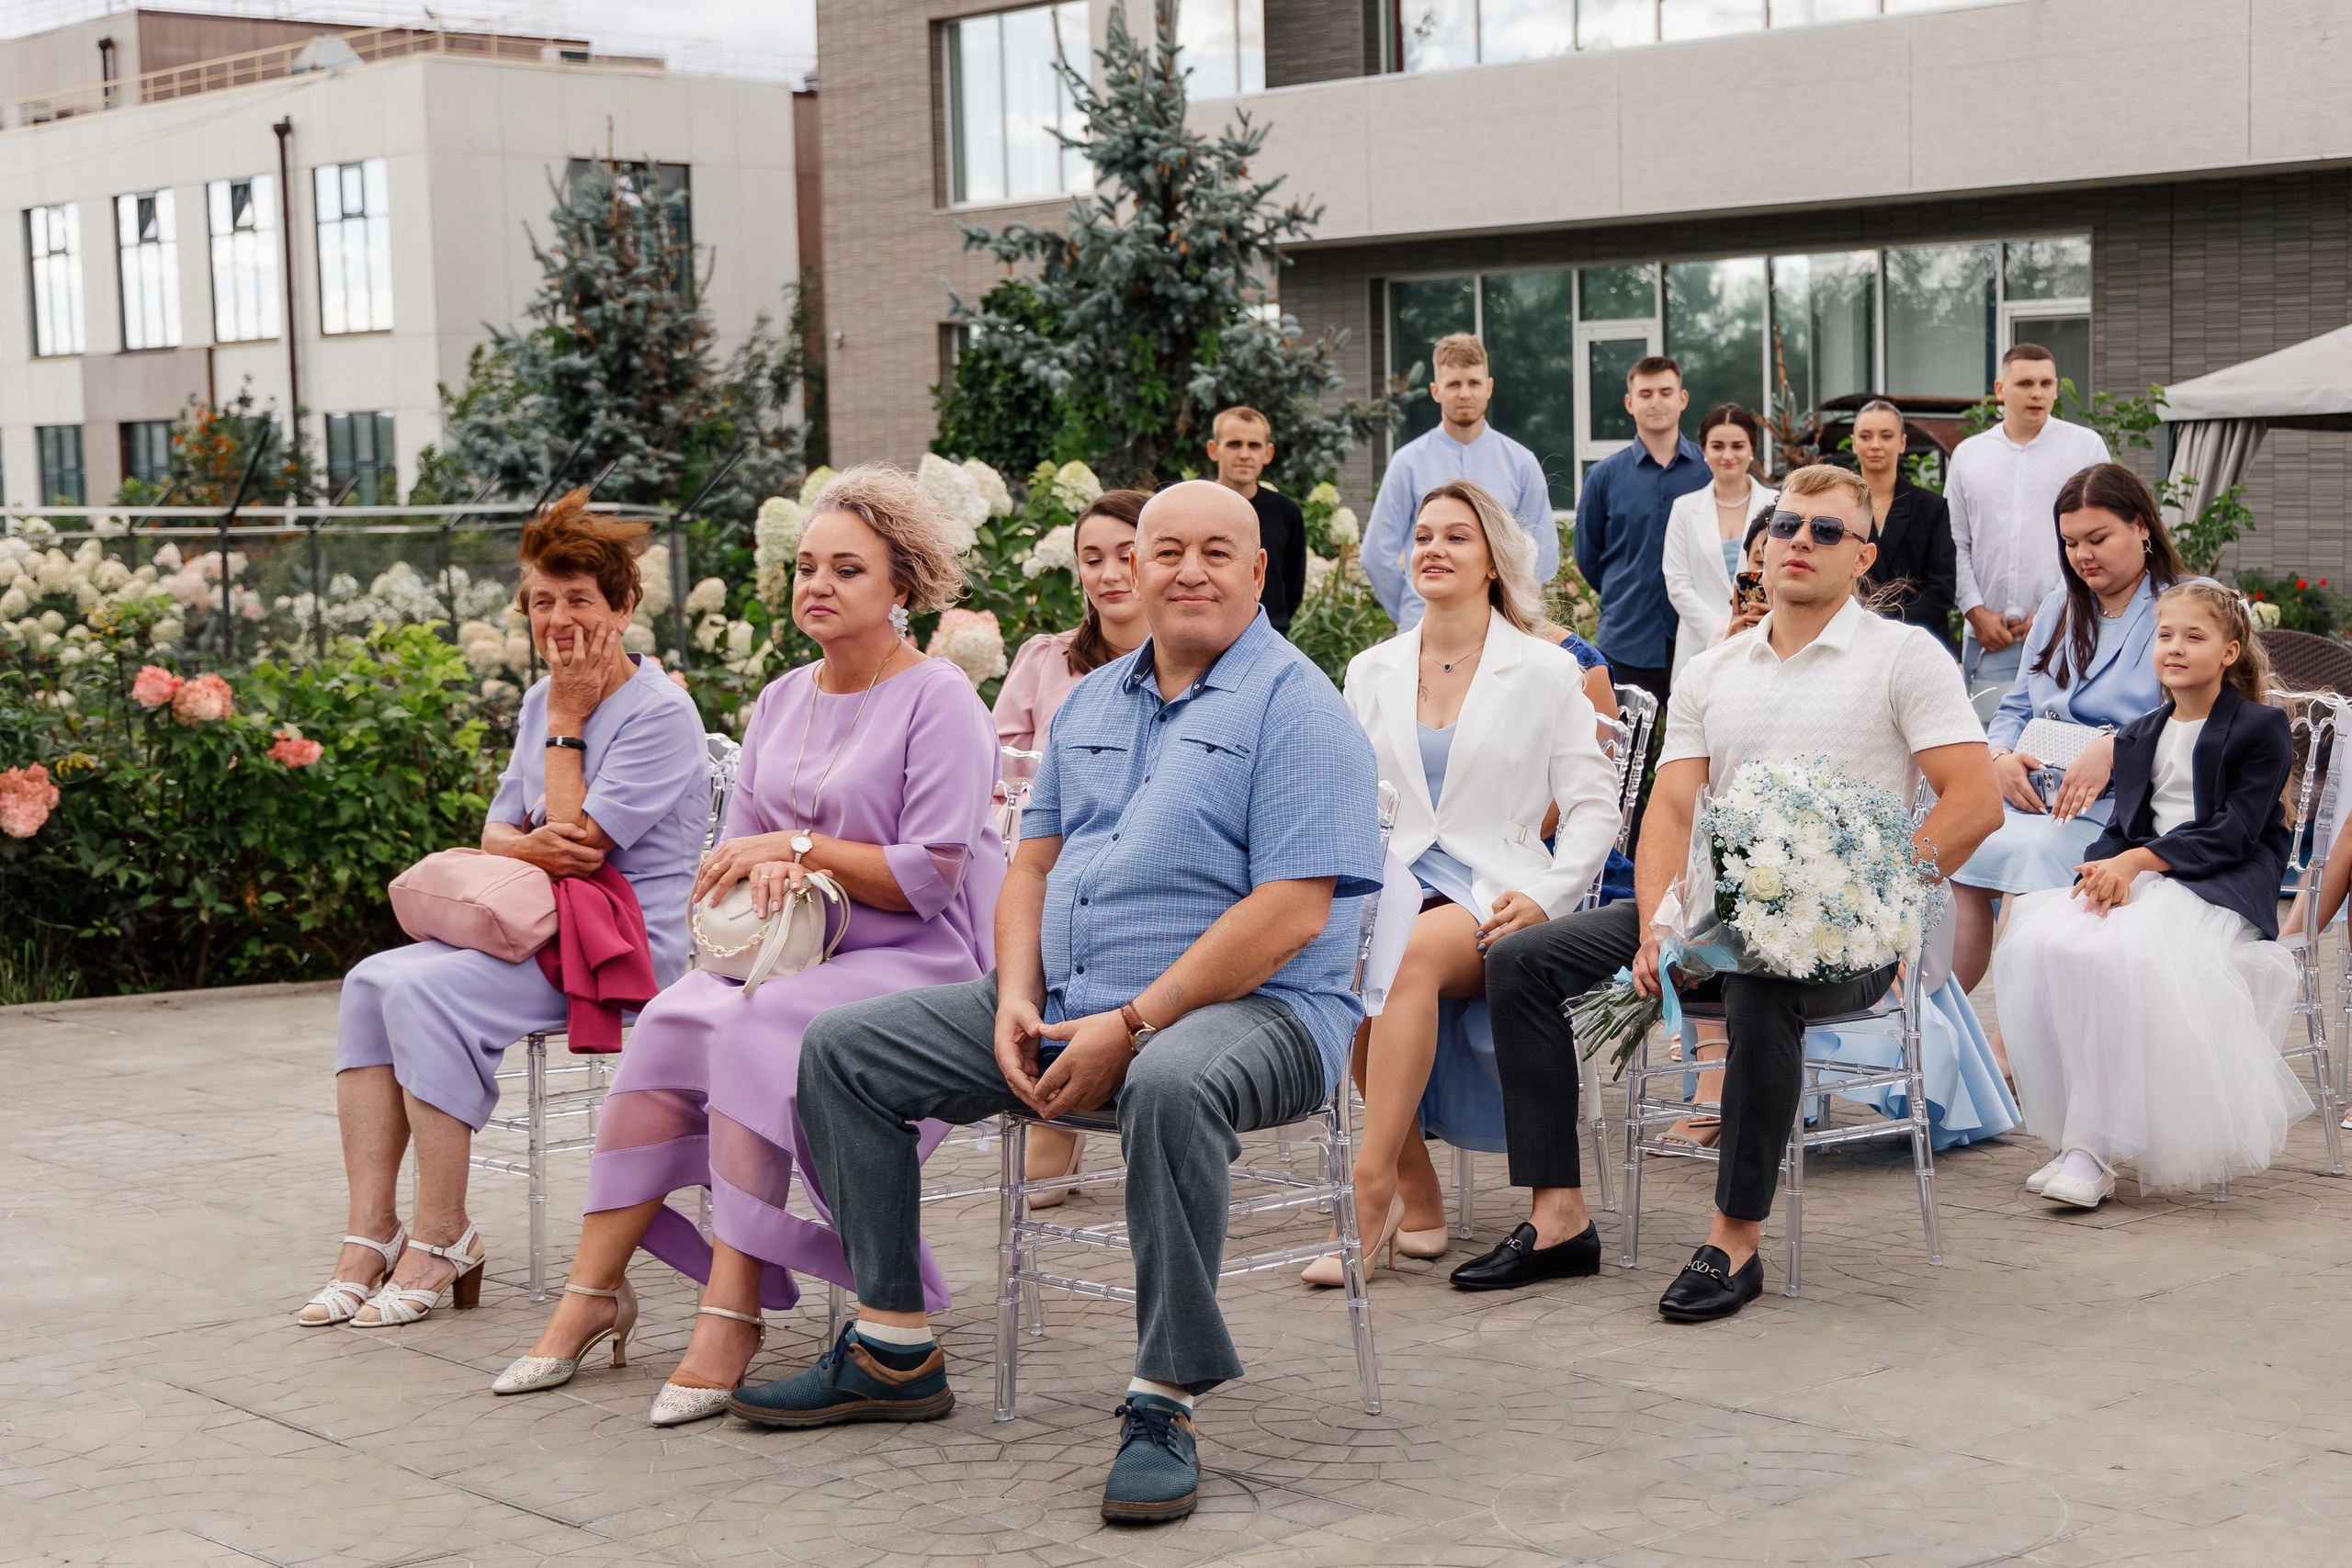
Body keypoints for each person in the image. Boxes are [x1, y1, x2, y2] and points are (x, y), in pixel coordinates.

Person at [730, 481, 1384, 1527]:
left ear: (1258, 573)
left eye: (1218, 551)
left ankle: (1162, 1400)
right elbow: (1029, 867)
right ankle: (894, 1346)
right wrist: (1014, 1000)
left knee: (1168, 1082)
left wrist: (1134, 1026)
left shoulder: (1296, 707)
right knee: (846, 1050)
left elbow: (1293, 915)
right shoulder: (1091, 699)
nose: (1186, 571)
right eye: (1164, 550)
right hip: (1069, 997)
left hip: (1259, 1015)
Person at [492, 466, 1006, 1426]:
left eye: (847, 569)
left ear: (902, 586)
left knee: (756, 1030)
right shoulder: (779, 699)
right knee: (678, 1018)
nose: (817, 584)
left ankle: (732, 1312)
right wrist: (756, 867)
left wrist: (798, 850)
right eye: (807, 565)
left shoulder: (940, 700)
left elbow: (931, 877)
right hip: (792, 946)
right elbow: (745, 849)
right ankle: (591, 1294)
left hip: (918, 952)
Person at [1468, 465, 2001, 1317]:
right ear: (1762, 543)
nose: (1801, 542)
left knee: (1759, 979)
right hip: (1711, 916)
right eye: (1788, 525)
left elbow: (1977, 803)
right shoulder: (1718, 669)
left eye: (1828, 532)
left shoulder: (1904, 658)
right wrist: (1655, 924)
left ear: (1862, 555)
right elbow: (1672, 808)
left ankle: (1733, 1238)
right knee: (1522, 960)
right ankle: (1559, 1216)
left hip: (1845, 938)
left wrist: (1859, 896)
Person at [305, 492, 708, 1328]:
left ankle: (445, 1233)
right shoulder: (538, 701)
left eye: (579, 600)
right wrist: (534, 834)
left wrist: (567, 723)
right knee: (370, 980)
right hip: (538, 926)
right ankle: (371, 1232)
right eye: (541, 601)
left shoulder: (660, 713)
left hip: (624, 944)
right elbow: (502, 831)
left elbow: (577, 842)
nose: (558, 619)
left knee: (423, 990)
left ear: (624, 607)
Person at [1308, 479, 1618, 1284]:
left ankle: (1369, 1195)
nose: (1434, 549)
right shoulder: (1369, 669)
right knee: (1343, 971)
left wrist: (1549, 896)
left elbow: (1594, 808)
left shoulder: (1548, 671)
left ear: (1492, 562)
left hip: (1496, 889)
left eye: (1457, 536)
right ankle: (1419, 1188)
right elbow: (1349, 798)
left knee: (1400, 959)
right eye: (1423, 536)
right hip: (1393, 882)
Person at [1996, 581, 2312, 1208]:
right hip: (2148, 873)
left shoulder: (2260, 726)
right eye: (2165, 635)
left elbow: (2235, 831)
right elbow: (2121, 827)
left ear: (2229, 650)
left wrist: (2137, 862)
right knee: (2051, 942)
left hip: (2219, 881)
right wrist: (2102, 869)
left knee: (2124, 955)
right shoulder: (2140, 732)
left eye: (2194, 636)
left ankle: (2092, 1151)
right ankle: (2076, 1137)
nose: (2175, 647)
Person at [1952, 465, 2191, 1062]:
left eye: (2097, 537)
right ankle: (1938, 1030)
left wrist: (2118, 747)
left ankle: (2010, 1049)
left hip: (2128, 805)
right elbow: (2015, 701)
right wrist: (1999, 756)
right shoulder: (2061, 604)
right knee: (1958, 855)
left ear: (2142, 527)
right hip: (2033, 789)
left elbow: (2208, 713)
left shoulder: (2186, 603)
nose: (2082, 554)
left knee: (2028, 859)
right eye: (2070, 542)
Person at [990, 487, 1151, 1204]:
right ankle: (1056, 1089)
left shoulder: (1196, 659)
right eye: (1093, 558)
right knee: (1038, 895)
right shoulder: (1046, 659)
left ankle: (1079, 1094)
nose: (1110, 572)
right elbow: (1000, 766)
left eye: (1126, 554)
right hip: (1046, 848)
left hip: (1141, 866)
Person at [1947, 344, 2111, 700]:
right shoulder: (1968, 455)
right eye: (2024, 383)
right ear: (2000, 389)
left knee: (2064, 736)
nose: (2037, 393)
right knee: (1988, 737)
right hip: (1990, 637)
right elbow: (1955, 540)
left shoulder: (2085, 448)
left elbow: (2101, 535)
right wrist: (1974, 611)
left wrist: (2055, 605)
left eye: (2046, 383)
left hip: (2068, 626)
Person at [1363, 333, 1557, 627]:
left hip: (1500, 627)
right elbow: (1376, 555)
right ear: (1435, 390)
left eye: (1474, 383)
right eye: (1454, 384)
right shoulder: (1407, 463)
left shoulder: (1521, 462)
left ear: (1489, 387)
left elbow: (1542, 555)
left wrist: (1514, 611)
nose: (1464, 393)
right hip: (1422, 627)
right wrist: (1411, 608)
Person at [1573, 355, 1710, 710]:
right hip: (1627, 637)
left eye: (1666, 391)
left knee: (1703, 756)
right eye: (1645, 393)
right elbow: (1589, 556)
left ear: (1682, 399)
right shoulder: (1603, 477)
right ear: (1629, 403)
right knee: (1623, 756)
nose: (1656, 402)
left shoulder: (1709, 473)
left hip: (1700, 635)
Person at [1660, 404, 1777, 680]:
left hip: (1763, 637)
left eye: (1737, 446)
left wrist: (1755, 623)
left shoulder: (1777, 504)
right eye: (1717, 446)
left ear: (1752, 450)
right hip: (1699, 645)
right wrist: (1723, 629)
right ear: (1704, 451)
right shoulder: (1684, 508)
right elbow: (1677, 583)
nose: (1727, 455)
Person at [1849, 400, 1958, 655]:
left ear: (1902, 443)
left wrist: (1886, 628)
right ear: (1854, 443)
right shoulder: (1837, 508)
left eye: (1886, 436)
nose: (1875, 445)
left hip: (1919, 642)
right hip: (1852, 641)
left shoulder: (1931, 508)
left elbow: (1942, 588)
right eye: (1866, 436)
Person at [1202, 408, 1306, 632]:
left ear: (1268, 453)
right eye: (1234, 444)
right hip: (1206, 632)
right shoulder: (1194, 505)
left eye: (1254, 445)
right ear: (1213, 449)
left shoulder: (1287, 512)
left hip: (1270, 633)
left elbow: (1293, 585)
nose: (1244, 454)